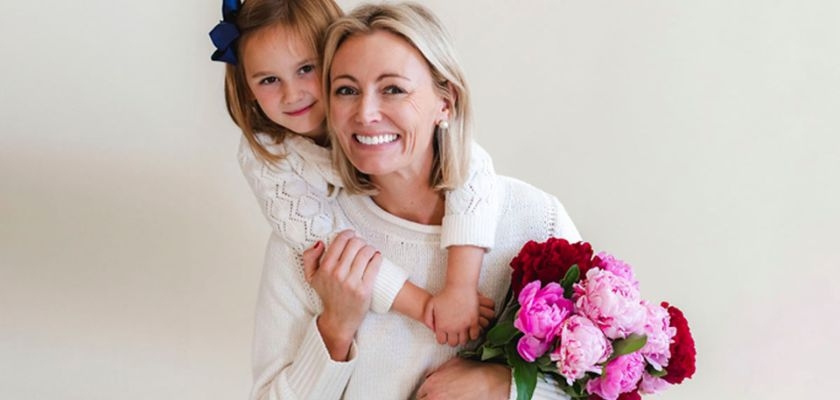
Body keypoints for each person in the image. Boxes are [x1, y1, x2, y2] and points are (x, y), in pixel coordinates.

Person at [250, 2, 582, 398]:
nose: (365, 113)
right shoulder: (309, 244)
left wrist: (500, 387)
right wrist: (335, 328)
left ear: (446, 101)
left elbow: (608, 382)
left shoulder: (534, 219)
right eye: (346, 90)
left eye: (393, 89)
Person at [210, 0, 500, 345]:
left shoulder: (373, 118)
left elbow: (471, 166)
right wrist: (425, 307)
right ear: (248, 90)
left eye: (306, 69)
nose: (293, 94)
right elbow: (334, 248)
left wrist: (460, 287)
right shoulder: (269, 159)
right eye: (269, 80)